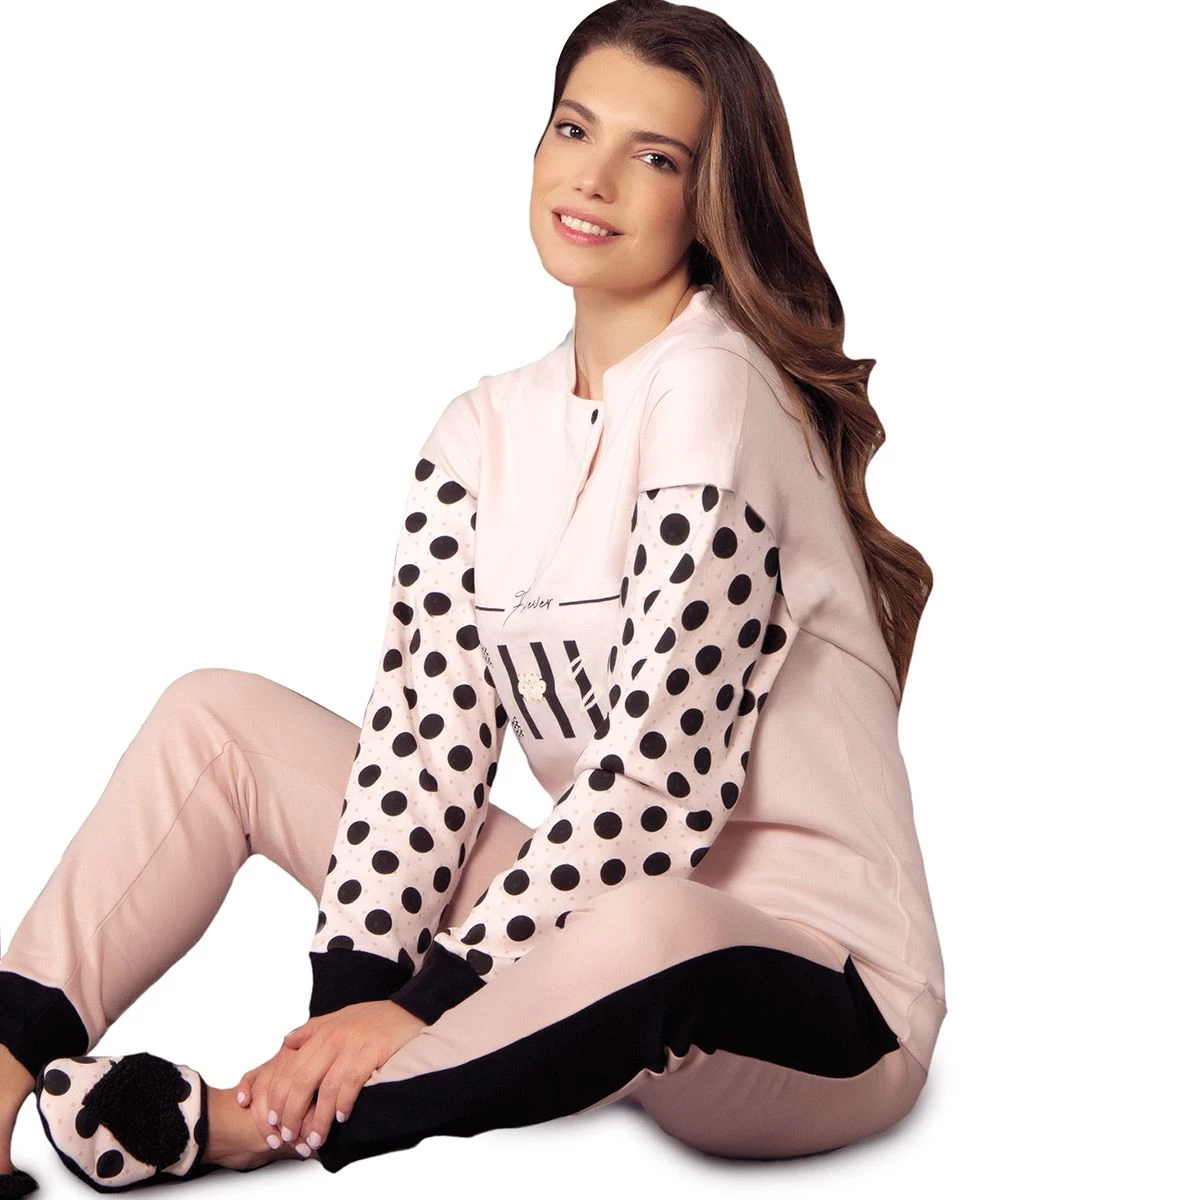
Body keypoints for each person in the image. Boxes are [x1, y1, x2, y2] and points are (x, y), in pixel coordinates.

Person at [0, 0, 947, 1191]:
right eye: (573, 129)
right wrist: (351, 1001)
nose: (592, 178)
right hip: (593, 934)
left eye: (655, 158)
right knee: (215, 716)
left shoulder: (720, 394)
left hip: (815, 995)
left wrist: (422, 1006)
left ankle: (242, 1123)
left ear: (710, 201)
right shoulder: (482, 430)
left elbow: (659, 784)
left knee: (654, 917)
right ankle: (1, 1065)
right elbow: (425, 744)